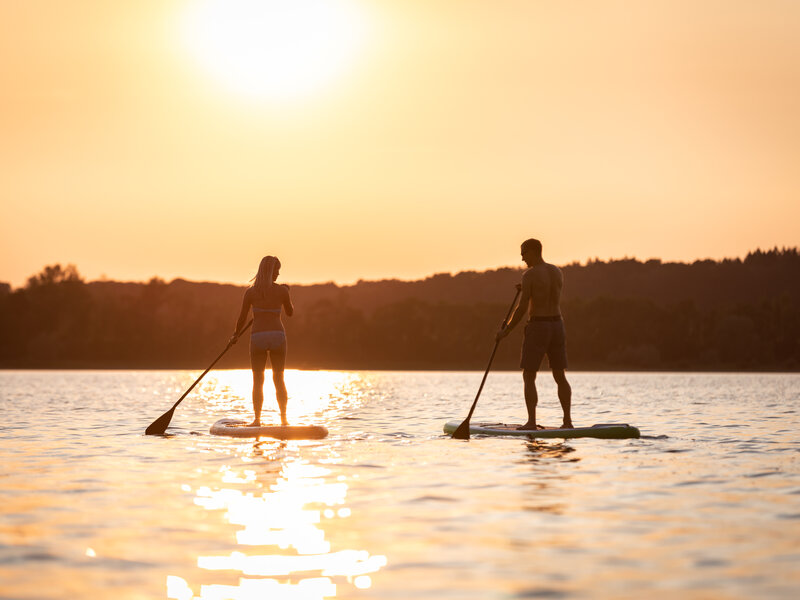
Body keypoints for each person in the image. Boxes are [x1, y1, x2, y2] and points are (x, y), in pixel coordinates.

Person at [496, 239, 573, 430]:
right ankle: (567, 422)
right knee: (560, 375)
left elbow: (522, 308)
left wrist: (506, 331)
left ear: (533, 251)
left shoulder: (529, 275)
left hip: (538, 327)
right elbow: (544, 291)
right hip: (558, 325)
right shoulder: (557, 272)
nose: (522, 257)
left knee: (529, 376)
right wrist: (526, 287)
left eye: (524, 253)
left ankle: (531, 422)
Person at [231, 255, 294, 426]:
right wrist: (287, 294)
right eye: (276, 271)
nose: (278, 275)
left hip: (258, 337)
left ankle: (257, 420)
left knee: (258, 381)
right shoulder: (282, 291)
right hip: (277, 336)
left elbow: (242, 318)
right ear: (270, 271)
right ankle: (283, 420)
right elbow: (290, 312)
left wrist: (235, 335)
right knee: (279, 379)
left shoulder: (250, 292)